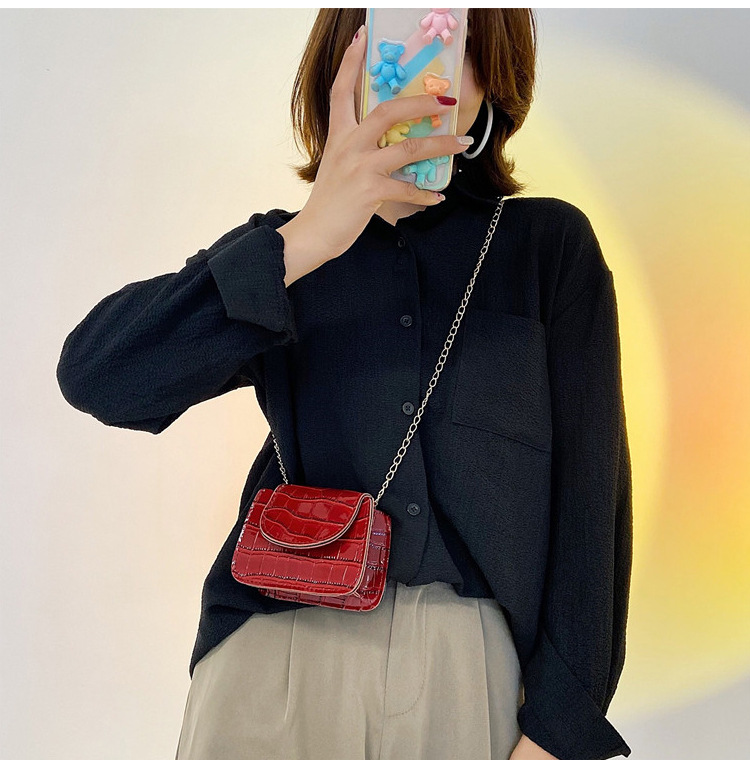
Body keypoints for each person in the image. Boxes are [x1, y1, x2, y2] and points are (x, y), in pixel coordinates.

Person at [55, 8, 633, 761]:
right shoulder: (285, 251)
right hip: (272, 652)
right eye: (397, 40)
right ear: (343, 63)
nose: (423, 72)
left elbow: (593, 504)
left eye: (453, 44)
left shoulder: (545, 248)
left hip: (468, 674)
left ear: (493, 78)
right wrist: (305, 239)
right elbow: (100, 376)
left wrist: (560, 731)